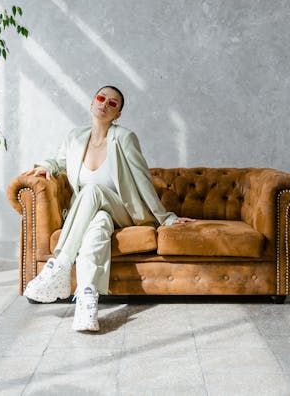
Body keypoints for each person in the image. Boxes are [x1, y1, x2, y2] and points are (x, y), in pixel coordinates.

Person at [20, 85, 194, 332]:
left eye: (113, 103)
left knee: (92, 190)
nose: (105, 104)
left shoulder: (124, 138)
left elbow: (142, 178)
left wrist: (165, 217)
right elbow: (60, 161)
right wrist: (47, 166)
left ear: (117, 115)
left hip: (123, 212)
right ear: (92, 103)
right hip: (96, 212)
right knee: (98, 223)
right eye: (101, 98)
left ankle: (59, 265)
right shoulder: (74, 137)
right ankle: (87, 301)